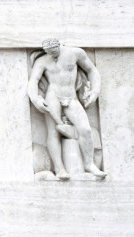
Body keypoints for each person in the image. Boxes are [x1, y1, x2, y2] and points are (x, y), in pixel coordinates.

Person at [27, 38, 106, 180]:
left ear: (59, 45)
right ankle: (59, 168)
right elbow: (34, 80)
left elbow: (91, 70)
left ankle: (89, 164)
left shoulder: (75, 53)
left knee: (85, 129)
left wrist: (95, 91)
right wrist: (36, 98)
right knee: (53, 132)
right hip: (53, 95)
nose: (53, 55)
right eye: (49, 53)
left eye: (55, 51)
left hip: (71, 96)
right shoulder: (43, 61)